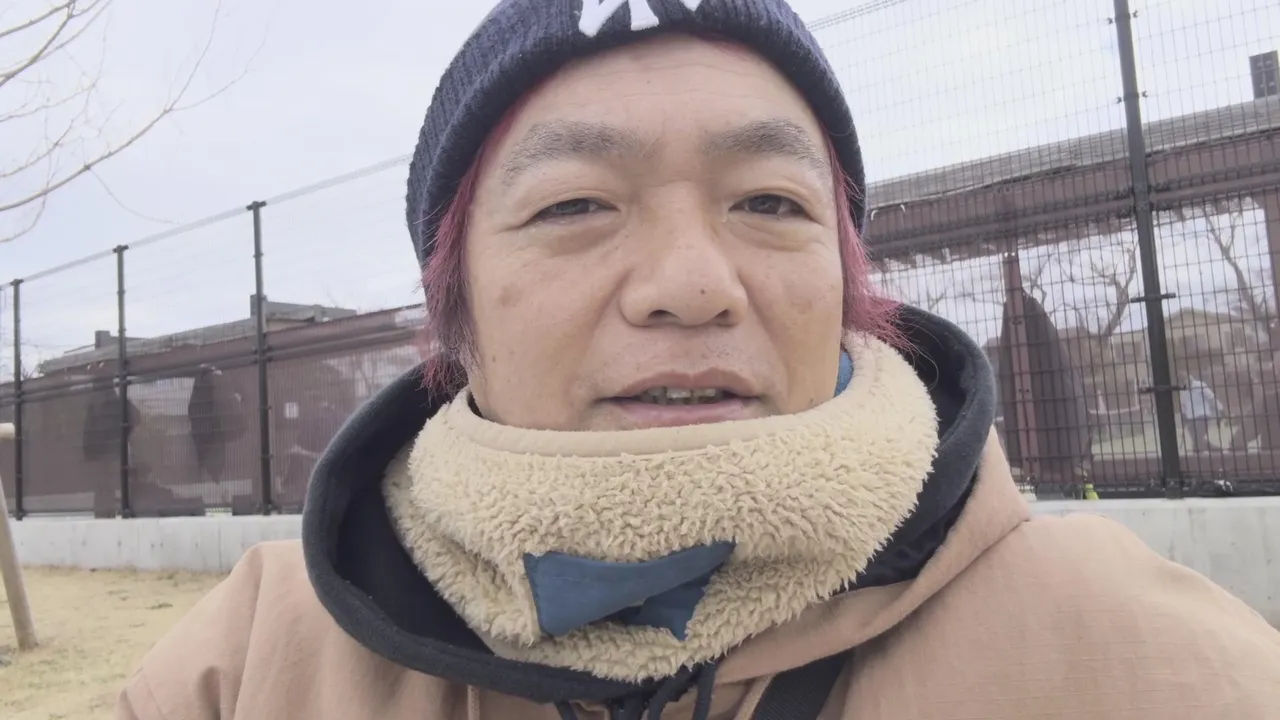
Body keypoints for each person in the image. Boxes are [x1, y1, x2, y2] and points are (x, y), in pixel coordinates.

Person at [117, 1, 1280, 718]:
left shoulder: (1130, 650)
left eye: (768, 201)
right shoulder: (259, 658)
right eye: (574, 204)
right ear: (453, 307)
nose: (691, 283)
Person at [1180, 374, 1221, 453]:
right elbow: (1183, 405)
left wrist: (1220, 409)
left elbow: (1211, 398)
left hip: (1202, 415)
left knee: (1197, 439)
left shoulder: (1200, 385)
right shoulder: (1183, 390)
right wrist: (1183, 415)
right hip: (1190, 418)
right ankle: (1215, 450)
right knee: (1197, 439)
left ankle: (1198, 454)